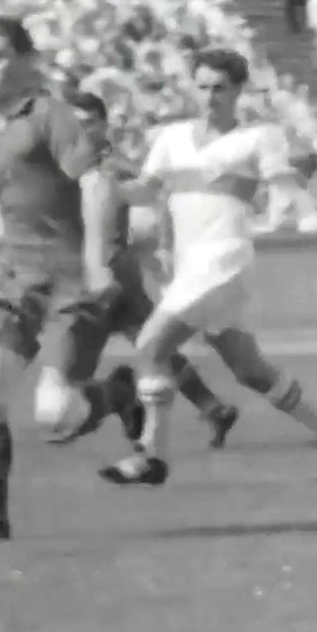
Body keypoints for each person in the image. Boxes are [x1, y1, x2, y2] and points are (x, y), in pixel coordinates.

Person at [0, 17, 140, 544]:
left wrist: (96, 261)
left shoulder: (50, 116)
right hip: (12, 275)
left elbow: (96, 184)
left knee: (56, 414)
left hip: (68, 276)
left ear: (27, 61)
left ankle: (116, 393)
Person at [100, 49, 317, 486]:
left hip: (224, 260)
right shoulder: (171, 137)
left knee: (150, 346)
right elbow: (146, 191)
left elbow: (282, 182)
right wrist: (103, 178)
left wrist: (309, 212)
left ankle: (151, 455)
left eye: (219, 88)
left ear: (239, 90)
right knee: (249, 369)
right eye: (202, 86)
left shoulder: (259, 137)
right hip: (191, 265)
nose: (209, 96)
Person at [63, 92, 240, 449]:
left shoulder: (112, 166)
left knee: (67, 363)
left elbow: (160, 195)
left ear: (104, 125)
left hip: (106, 275)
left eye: (89, 123)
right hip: (102, 273)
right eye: (76, 124)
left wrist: (164, 243)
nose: (82, 130)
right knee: (156, 347)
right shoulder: (72, 162)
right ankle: (212, 407)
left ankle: (115, 395)